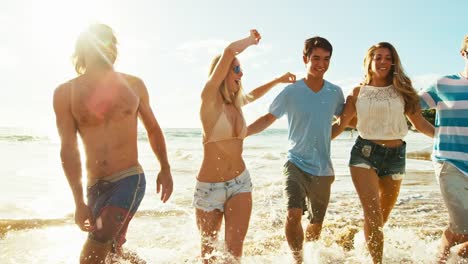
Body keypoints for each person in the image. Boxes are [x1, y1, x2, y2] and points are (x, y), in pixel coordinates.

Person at [53, 24, 173, 264]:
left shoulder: (134, 85)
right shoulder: (66, 93)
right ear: (83, 49)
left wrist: (165, 167)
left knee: (96, 245)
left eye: (109, 42)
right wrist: (78, 201)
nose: (105, 47)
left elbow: (153, 128)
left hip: (129, 179)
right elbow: (69, 150)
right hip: (95, 185)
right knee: (112, 252)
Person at [194, 29, 296, 263]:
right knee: (208, 255)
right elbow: (229, 51)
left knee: (234, 253)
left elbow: (252, 96)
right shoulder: (209, 101)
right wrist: (250, 41)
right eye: (236, 68)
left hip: (240, 183)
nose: (241, 73)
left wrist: (278, 80)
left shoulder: (236, 104)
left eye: (240, 68)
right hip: (209, 188)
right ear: (222, 72)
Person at [332, 42, 434, 264]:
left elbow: (421, 124)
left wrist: (448, 138)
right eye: (378, 57)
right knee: (374, 215)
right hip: (364, 155)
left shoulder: (403, 91)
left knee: (381, 218)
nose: (383, 62)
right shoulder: (357, 92)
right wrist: (310, 141)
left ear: (393, 62)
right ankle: (376, 261)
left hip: (396, 157)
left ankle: (359, 243)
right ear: (369, 61)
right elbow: (340, 126)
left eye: (388, 58)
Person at [247, 36, 344, 263]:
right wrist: (242, 133)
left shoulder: (335, 93)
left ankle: (309, 255)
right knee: (293, 215)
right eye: (316, 58)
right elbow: (268, 118)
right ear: (305, 58)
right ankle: (297, 260)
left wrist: (326, 138)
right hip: (295, 163)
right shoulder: (292, 92)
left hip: (323, 168)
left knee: (316, 223)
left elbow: (344, 119)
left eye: (326, 59)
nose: (321, 64)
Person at [419, 35, 468, 263]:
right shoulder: (444, 83)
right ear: (463, 53)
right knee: (463, 226)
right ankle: (443, 256)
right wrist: (434, 133)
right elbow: (411, 106)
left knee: (463, 229)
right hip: (450, 162)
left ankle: (446, 256)